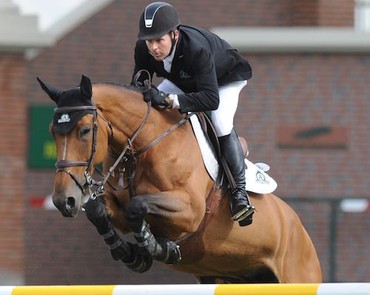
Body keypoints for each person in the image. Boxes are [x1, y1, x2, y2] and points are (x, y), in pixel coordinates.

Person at [131, 1, 255, 225]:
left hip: (223, 81)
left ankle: (240, 193)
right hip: (183, 79)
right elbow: (139, 81)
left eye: (160, 40)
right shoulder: (144, 48)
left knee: (219, 123)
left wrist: (170, 101)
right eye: (150, 41)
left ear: (174, 35)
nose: (154, 48)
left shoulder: (195, 49)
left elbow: (210, 99)